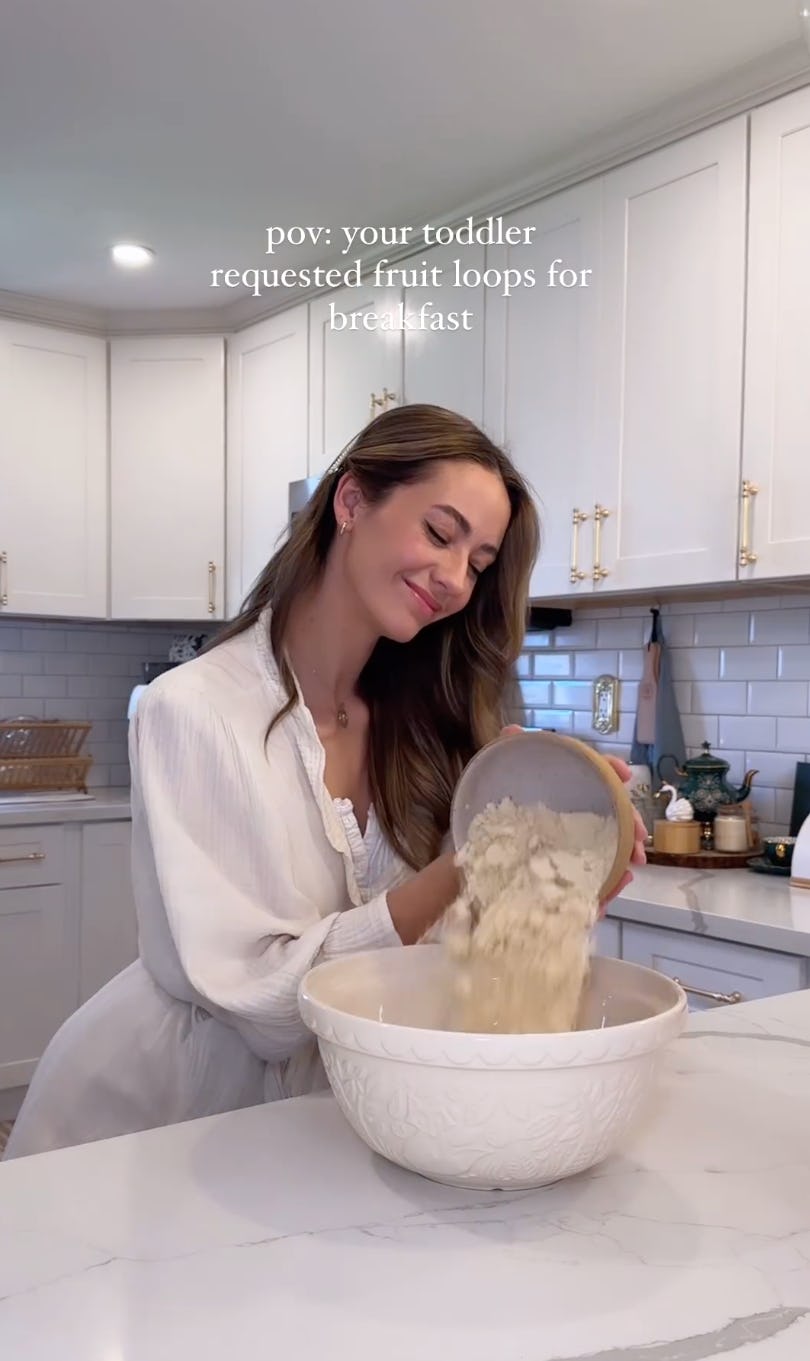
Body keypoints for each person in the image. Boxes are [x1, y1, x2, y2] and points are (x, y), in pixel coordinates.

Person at [5, 403, 645, 1160]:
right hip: (168, 1118)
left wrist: (555, 847)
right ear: (351, 502)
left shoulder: (433, 723)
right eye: (440, 533)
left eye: (477, 563)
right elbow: (266, 1006)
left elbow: (453, 954)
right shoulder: (193, 710)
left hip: (344, 1112)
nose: (452, 578)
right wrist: (475, 855)